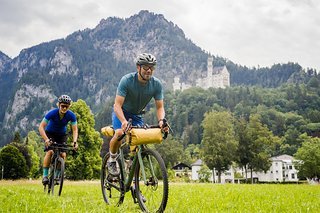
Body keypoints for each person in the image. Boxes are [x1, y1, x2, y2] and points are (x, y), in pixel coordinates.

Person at [108, 53, 168, 176]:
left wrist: (161, 121)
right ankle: (112, 159)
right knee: (119, 133)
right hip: (121, 113)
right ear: (138, 67)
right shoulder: (127, 80)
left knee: (141, 143)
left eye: (152, 67)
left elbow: (160, 107)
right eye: (146, 67)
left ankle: (134, 177)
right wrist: (124, 121)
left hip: (137, 116)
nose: (149, 70)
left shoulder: (156, 84)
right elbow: (117, 105)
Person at [39, 94, 78, 184]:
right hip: (50, 134)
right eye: (62, 106)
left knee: (63, 155)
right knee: (50, 152)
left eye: (66, 107)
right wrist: (46, 140)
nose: (64, 108)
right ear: (58, 105)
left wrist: (75, 142)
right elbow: (41, 127)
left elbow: (75, 129)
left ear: (69, 106)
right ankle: (45, 176)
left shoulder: (71, 115)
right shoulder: (52, 113)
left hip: (61, 135)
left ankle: (56, 177)